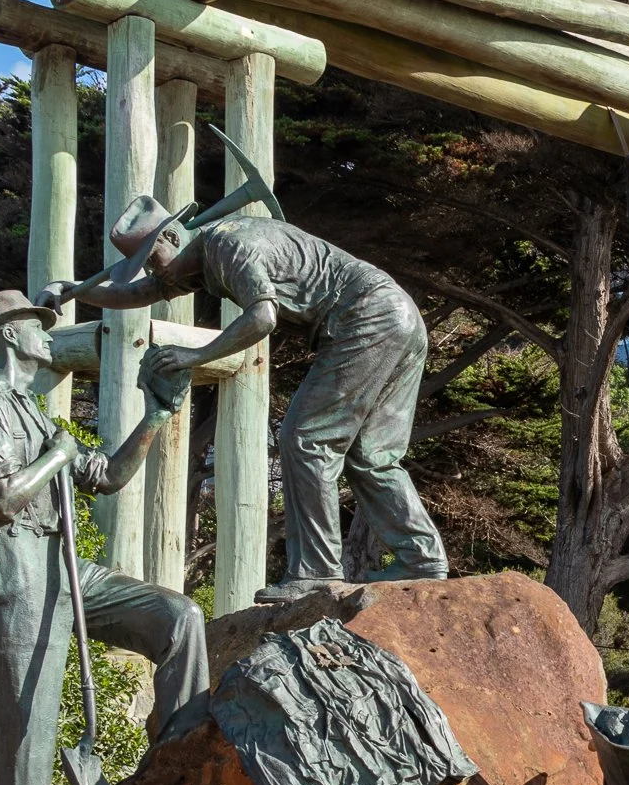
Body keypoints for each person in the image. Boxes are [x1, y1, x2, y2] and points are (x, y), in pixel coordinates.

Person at [40, 200, 448, 602]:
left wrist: (196, 355)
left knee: (307, 440)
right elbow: (142, 292)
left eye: (152, 258)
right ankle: (422, 559)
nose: (152, 269)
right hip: (401, 317)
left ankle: (316, 571)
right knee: (372, 456)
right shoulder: (195, 259)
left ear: (170, 235)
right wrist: (77, 292)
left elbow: (262, 317)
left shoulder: (228, 244)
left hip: (366, 316)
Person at [0, 289, 210, 785]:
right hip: (14, 566)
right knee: (26, 720)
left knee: (179, 619)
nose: (50, 335)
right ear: (10, 336)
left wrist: (155, 414)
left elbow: (108, 476)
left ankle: (182, 762)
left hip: (63, 562)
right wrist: (56, 457)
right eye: (38, 328)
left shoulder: (33, 410)